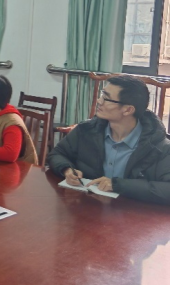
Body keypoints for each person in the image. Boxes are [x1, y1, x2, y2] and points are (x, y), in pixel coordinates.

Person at [48, 75, 169, 205]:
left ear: (128, 109)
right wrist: (66, 169)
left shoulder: (159, 146)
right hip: (88, 208)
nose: (99, 101)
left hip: (133, 213)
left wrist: (118, 185)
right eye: (102, 95)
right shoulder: (86, 130)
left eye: (106, 98)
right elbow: (57, 154)